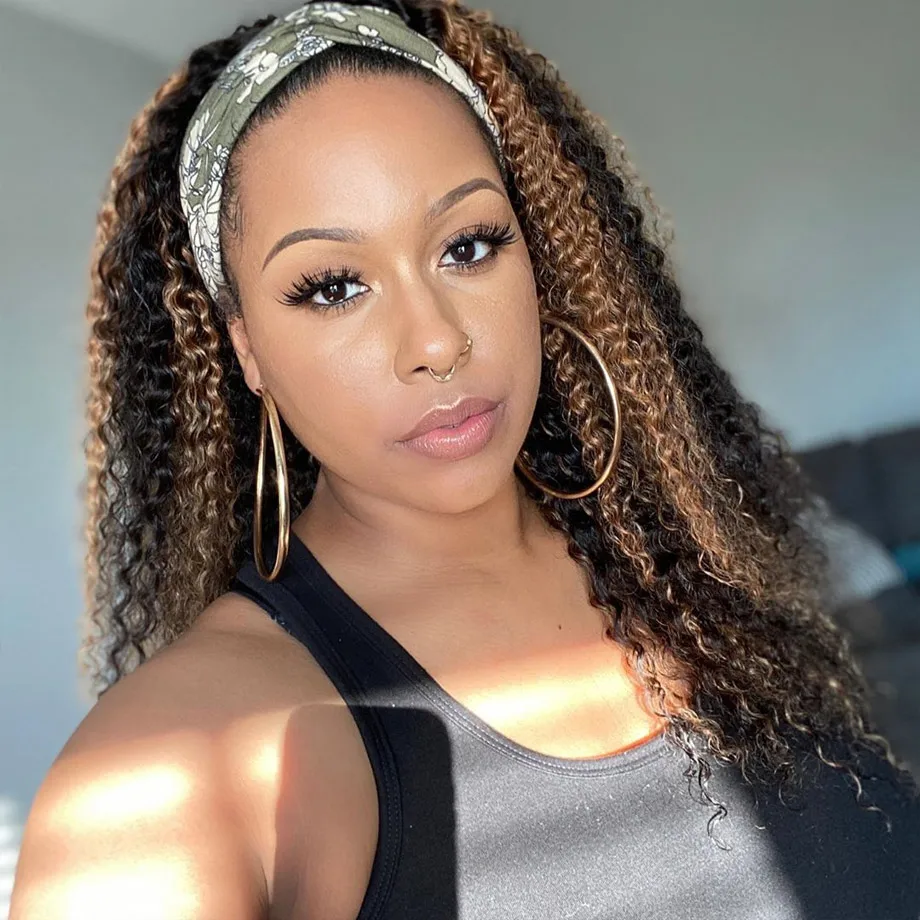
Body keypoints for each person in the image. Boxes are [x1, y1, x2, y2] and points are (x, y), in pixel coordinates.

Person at [10, 1, 920, 917]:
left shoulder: (689, 566)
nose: (437, 341)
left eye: (469, 246)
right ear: (245, 348)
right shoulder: (177, 768)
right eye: (332, 287)